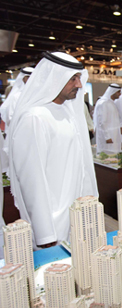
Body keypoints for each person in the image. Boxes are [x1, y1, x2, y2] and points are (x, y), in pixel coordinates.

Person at [7, 51, 98, 249]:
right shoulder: (35, 118)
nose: (79, 85)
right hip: (53, 225)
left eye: (79, 78)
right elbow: (32, 181)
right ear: (54, 78)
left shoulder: (67, 112)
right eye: (72, 79)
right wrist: (45, 234)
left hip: (75, 216)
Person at [94, 84, 122, 154]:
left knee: (114, 157)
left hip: (114, 136)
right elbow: (102, 122)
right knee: (106, 157)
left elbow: (116, 119)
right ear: (113, 92)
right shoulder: (103, 103)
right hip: (107, 137)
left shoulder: (111, 103)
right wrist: (107, 137)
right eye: (118, 92)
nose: (120, 94)